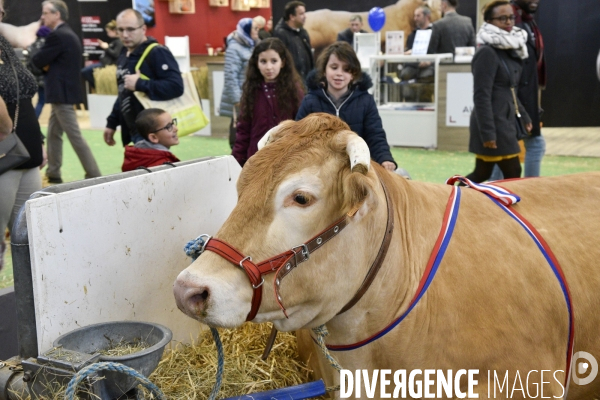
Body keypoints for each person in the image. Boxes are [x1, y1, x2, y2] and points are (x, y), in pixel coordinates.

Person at [296, 42, 397, 172]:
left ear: (353, 74)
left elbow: (375, 134)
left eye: (346, 69)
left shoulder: (366, 101)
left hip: (355, 168)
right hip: (318, 168)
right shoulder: (310, 101)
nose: (339, 73)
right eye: (334, 67)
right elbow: (299, 136)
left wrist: (385, 158)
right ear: (324, 70)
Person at [32, 0, 101, 183]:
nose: (42, 16)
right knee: (54, 134)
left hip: (61, 94)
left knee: (75, 136)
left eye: (46, 12)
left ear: (57, 15)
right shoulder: (67, 34)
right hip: (62, 93)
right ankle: (53, 172)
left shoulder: (57, 36)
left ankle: (94, 174)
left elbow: (37, 60)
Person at [0, 0, 46, 269]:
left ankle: (27, 306)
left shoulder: (3, 42)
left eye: (2, 9)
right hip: (6, 155)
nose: (2, 13)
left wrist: (37, 141)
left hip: (25, 154)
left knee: (30, 240)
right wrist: (7, 130)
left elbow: (23, 96)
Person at [465, 0, 531, 183]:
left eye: (511, 17)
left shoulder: (510, 48)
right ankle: (448, 196)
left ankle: (450, 195)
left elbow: (510, 89)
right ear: (489, 21)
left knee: (483, 173)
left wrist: (524, 116)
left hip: (505, 120)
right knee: (511, 171)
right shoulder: (486, 52)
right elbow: (481, 95)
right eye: (502, 18)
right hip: (492, 123)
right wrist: (488, 133)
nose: (509, 22)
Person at [104, 9, 183, 147]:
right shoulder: (124, 53)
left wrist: (140, 84)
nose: (125, 35)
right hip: (132, 131)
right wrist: (112, 122)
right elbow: (124, 92)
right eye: (120, 30)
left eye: (130, 29)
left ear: (143, 29)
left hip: (152, 133)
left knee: (153, 168)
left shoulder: (157, 52)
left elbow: (176, 86)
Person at [232, 38, 304, 167]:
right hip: (256, 160)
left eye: (274, 61)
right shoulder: (251, 91)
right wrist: (236, 162)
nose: (269, 67)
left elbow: (301, 128)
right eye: (263, 61)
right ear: (256, 63)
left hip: (286, 160)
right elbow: (243, 131)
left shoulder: (294, 90)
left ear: (283, 62)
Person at [220, 17, 259, 149]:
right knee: (238, 130)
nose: (257, 31)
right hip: (241, 99)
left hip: (250, 96)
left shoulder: (250, 45)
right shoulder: (234, 48)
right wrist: (237, 100)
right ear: (246, 30)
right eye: (255, 28)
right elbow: (230, 76)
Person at [273, 1, 313, 82]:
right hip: (291, 83)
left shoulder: (303, 32)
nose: (305, 16)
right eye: (301, 14)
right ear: (292, 17)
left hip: (306, 80)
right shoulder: (281, 34)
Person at [81, 20, 123, 90]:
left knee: (85, 71)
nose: (107, 34)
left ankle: (98, 86)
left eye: (108, 31)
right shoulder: (114, 41)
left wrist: (106, 48)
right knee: (85, 71)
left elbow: (116, 54)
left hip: (108, 65)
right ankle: (98, 86)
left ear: (114, 31)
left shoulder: (119, 42)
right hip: (103, 63)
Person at [401, 5, 434, 83]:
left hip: (429, 65)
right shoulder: (412, 34)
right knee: (405, 75)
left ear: (427, 17)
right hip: (413, 65)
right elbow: (408, 49)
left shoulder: (435, 32)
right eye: (415, 16)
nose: (415, 19)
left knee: (426, 76)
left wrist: (429, 61)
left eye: (418, 16)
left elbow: (437, 50)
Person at [25, 25, 52, 118]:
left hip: (31, 77)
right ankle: (34, 120)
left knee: (28, 101)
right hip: (43, 78)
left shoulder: (31, 46)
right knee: (41, 101)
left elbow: (28, 63)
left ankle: (29, 119)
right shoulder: (48, 45)